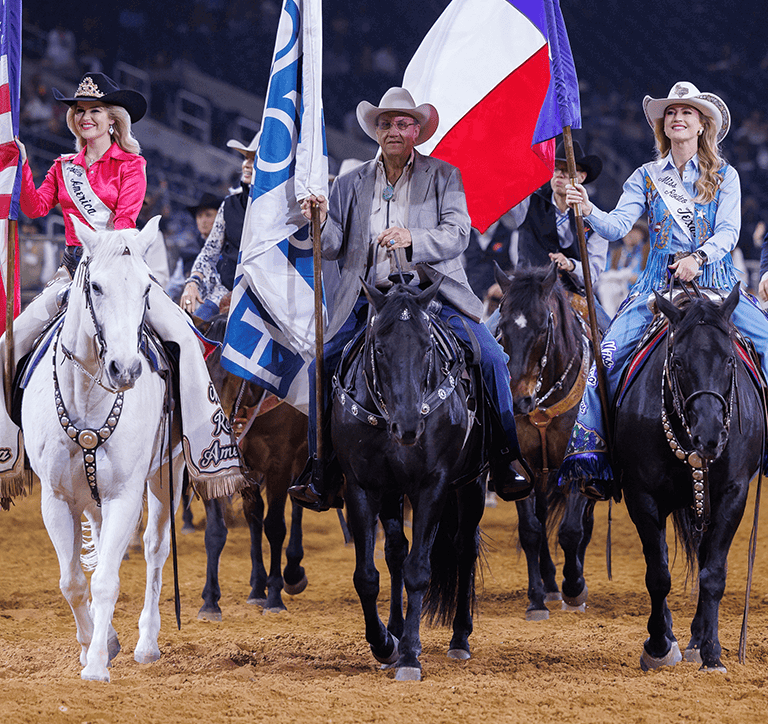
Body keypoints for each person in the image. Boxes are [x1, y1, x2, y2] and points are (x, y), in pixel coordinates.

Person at [288, 86, 532, 511]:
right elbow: (329, 246)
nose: (394, 130)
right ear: (376, 131)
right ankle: (320, 467)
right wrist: (320, 219)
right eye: (386, 123)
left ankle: (504, 457)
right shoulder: (349, 183)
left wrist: (411, 238)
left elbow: (457, 233)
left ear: (417, 130)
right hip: (371, 300)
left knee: (491, 357)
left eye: (403, 123)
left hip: (431, 295)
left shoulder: (444, 175)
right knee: (318, 366)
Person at [0, 72, 239, 496]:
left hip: (120, 273)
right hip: (72, 275)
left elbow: (125, 223)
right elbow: (36, 207)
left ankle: (205, 444)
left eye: (94, 111)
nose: (85, 117)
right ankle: (7, 445)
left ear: (113, 120)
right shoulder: (63, 167)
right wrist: (19, 165)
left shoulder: (132, 165)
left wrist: (107, 261)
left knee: (183, 337)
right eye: (79, 111)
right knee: (10, 342)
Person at [560, 80, 768, 501]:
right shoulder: (647, 176)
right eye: (670, 112)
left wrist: (700, 258)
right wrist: (586, 207)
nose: (676, 117)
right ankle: (598, 454)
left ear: (702, 124)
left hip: (717, 284)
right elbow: (618, 226)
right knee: (608, 354)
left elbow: (729, 232)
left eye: (686, 112)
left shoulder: (725, 176)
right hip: (657, 286)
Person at [511, 138, 610, 326]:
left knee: (611, 342)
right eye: (555, 169)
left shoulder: (596, 219)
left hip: (574, 292)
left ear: (581, 177)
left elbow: (594, 272)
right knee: (492, 341)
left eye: (566, 170)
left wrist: (571, 265)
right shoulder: (528, 203)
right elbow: (509, 186)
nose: (559, 175)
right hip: (528, 291)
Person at [181, 134, 258, 319]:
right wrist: (192, 282)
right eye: (246, 158)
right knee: (194, 330)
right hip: (224, 291)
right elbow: (209, 252)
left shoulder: (279, 211)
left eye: (254, 160)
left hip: (262, 297)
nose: (246, 164)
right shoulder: (230, 205)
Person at [165, 191, 223, 302]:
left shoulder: (229, 249)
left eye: (208, 215)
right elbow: (174, 286)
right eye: (199, 216)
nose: (203, 221)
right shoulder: (189, 251)